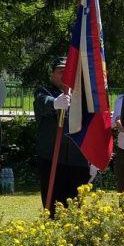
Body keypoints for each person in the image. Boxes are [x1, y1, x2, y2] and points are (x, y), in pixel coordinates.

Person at [34, 58, 91, 213]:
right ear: (52, 75)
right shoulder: (44, 92)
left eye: (68, 71)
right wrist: (55, 103)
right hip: (52, 160)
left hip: (78, 160)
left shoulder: (82, 97)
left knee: (75, 210)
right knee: (52, 207)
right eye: (60, 71)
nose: (65, 75)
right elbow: (42, 102)